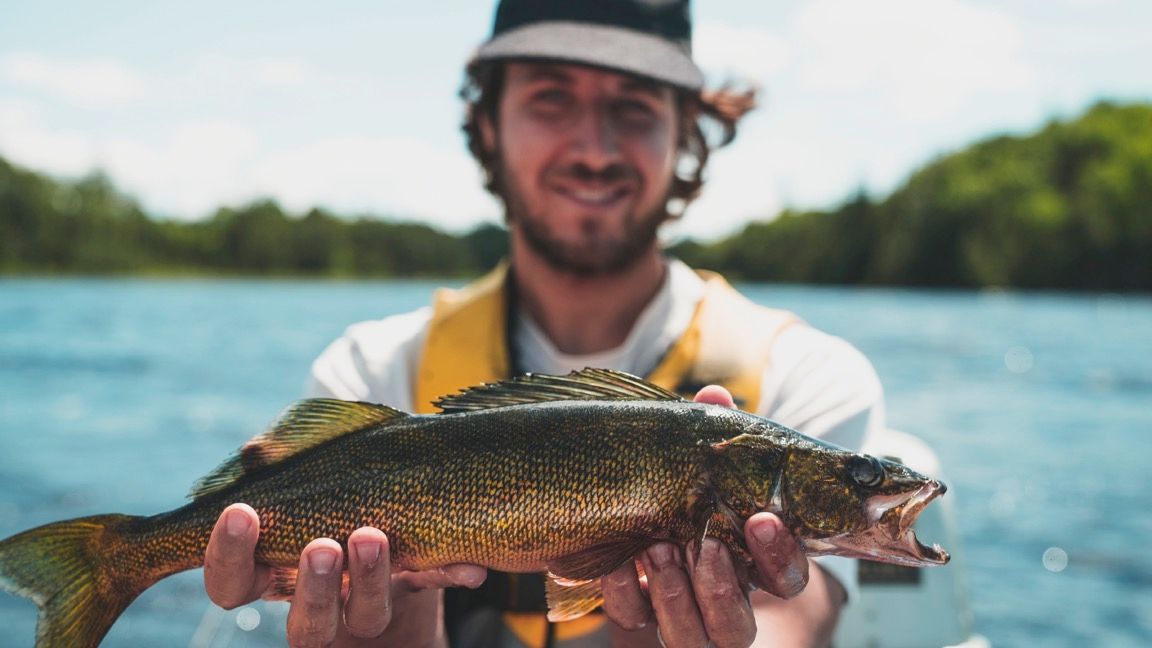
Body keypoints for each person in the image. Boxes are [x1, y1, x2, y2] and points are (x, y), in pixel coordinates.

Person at [202, 1, 886, 646]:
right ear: (490, 122)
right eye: (550, 98)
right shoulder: (372, 369)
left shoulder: (810, 378)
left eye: (634, 105)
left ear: (686, 130)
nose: (594, 147)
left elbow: (797, 610)